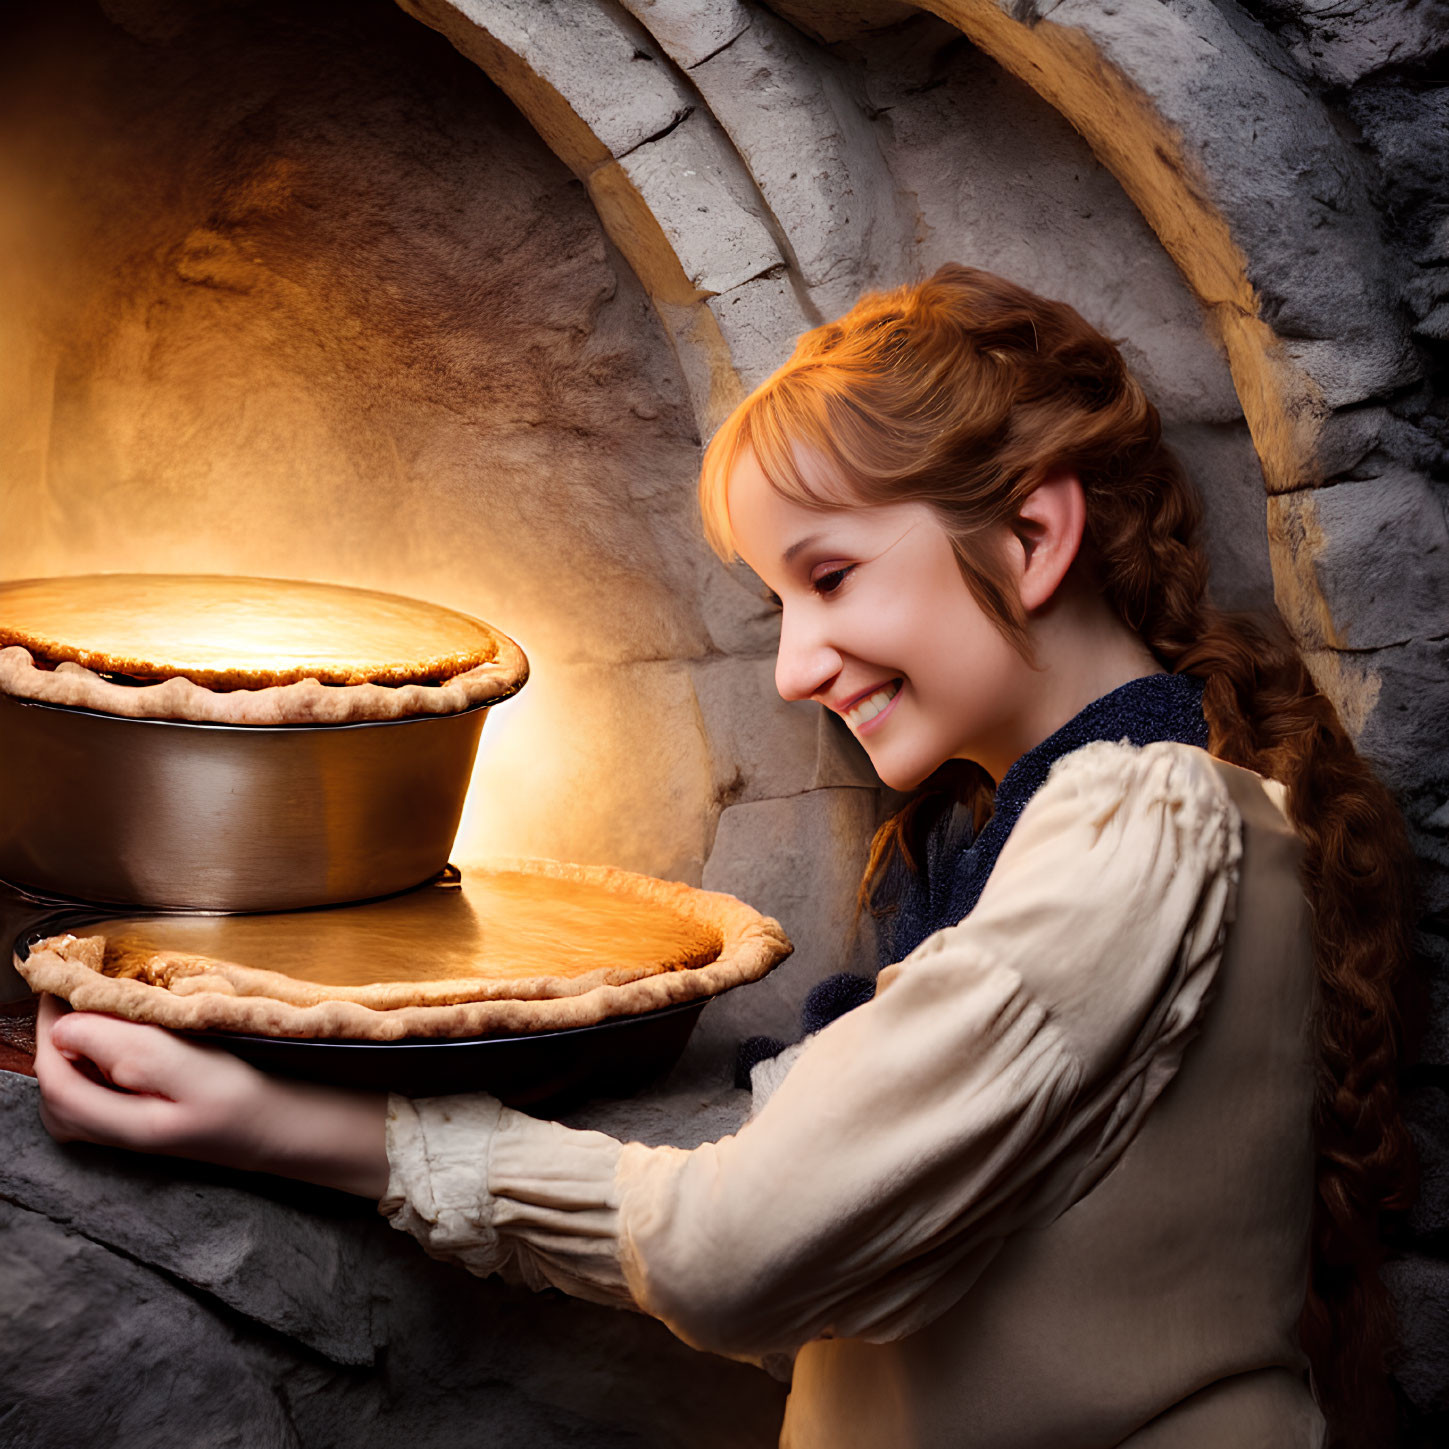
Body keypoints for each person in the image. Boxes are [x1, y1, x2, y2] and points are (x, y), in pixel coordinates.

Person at [34, 265, 1416, 1448]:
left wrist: (308, 1131)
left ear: (1032, 533)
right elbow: (849, 1263)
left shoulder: (1141, 824)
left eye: (828, 576)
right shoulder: (1054, 842)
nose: (794, 665)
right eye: (773, 601)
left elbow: (740, 1250)